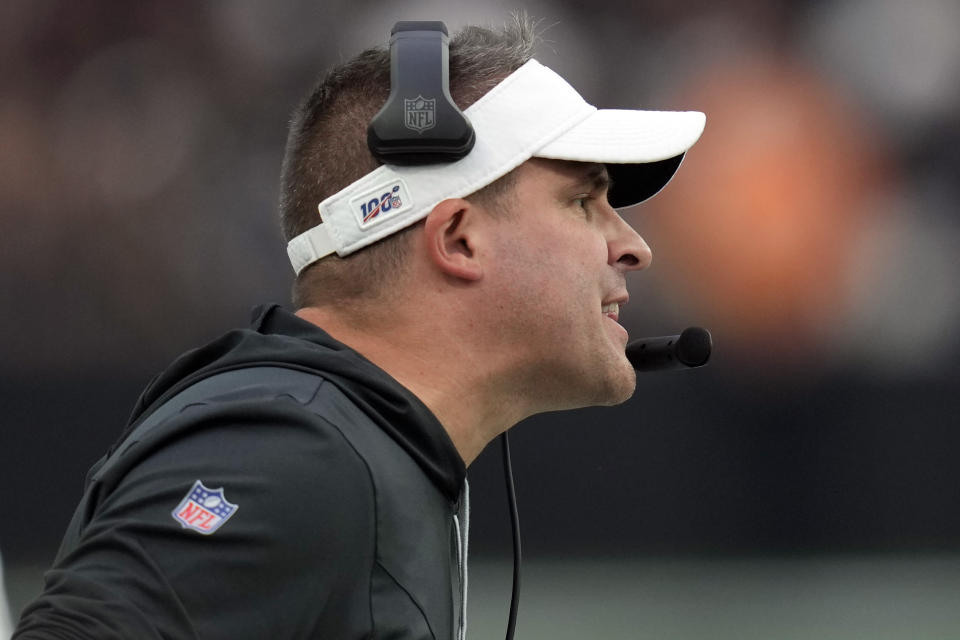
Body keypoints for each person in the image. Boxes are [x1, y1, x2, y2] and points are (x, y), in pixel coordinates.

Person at [13, 16, 704, 640]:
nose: (633, 246)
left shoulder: (361, 451)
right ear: (459, 239)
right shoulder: (293, 456)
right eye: (583, 200)